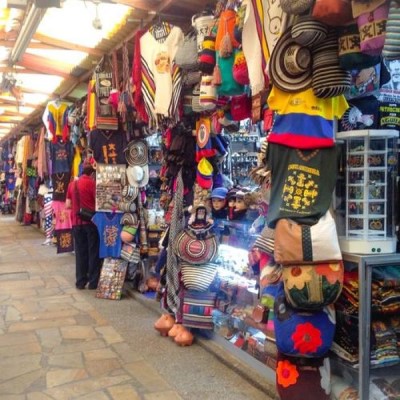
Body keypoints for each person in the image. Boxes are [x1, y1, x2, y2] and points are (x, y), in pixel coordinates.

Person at [66, 160, 102, 290]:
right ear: (92, 173)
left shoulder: (72, 185)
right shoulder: (93, 184)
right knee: (93, 252)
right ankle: (93, 282)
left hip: (76, 223)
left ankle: (80, 282)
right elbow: (99, 202)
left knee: (80, 253)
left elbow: (67, 205)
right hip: (91, 223)